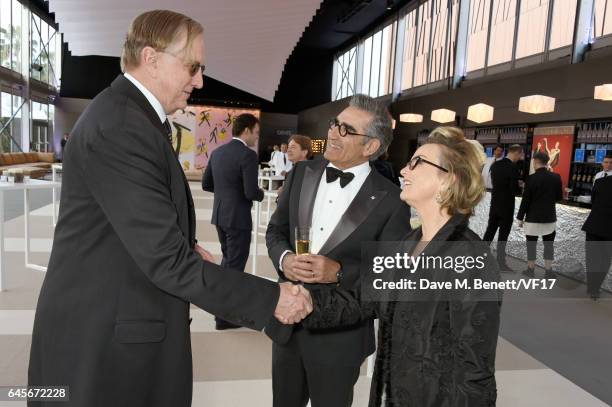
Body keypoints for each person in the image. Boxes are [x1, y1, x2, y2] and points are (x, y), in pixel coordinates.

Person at [27, 10, 311, 407]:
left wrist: (184, 244)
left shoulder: (129, 118)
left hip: (118, 320)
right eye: (193, 66)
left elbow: (129, 222)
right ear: (152, 57)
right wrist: (271, 299)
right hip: (105, 341)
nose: (199, 80)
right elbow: (168, 263)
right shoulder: (122, 126)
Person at [301, 126, 501, 406]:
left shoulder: (470, 259)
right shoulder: (407, 243)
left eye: (417, 163)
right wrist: (303, 302)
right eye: (408, 163)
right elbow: (363, 300)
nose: (404, 172)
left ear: (448, 180)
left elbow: (474, 369)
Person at [265, 94, 412, 407]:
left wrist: (340, 272)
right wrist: (284, 258)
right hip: (287, 323)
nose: (332, 132)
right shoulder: (301, 174)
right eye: (335, 124)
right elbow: (276, 231)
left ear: (370, 146)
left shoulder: (390, 200)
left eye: (346, 129)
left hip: (340, 339)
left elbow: (388, 280)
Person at [202, 113, 265, 330]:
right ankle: (224, 317)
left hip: (220, 215)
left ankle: (219, 309)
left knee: (228, 262)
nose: (256, 138)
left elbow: (206, 184)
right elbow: (250, 192)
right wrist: (262, 194)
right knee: (235, 267)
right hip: (237, 217)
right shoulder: (247, 155)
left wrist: (225, 194)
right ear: (246, 131)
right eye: (255, 133)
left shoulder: (218, 152)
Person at [516, 152, 562, 278]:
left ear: (536, 161)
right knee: (549, 245)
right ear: (547, 161)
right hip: (549, 217)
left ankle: (530, 270)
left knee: (531, 244)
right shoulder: (556, 177)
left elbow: (526, 201)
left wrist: (520, 217)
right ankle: (548, 271)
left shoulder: (531, 178)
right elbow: (559, 197)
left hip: (533, 217)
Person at [483, 144, 523, 271]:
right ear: (516, 153)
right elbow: (514, 190)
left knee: (489, 232)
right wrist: (520, 185)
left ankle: (480, 259)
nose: (520, 157)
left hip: (494, 204)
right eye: (520, 155)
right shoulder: (513, 168)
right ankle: (500, 263)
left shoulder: (495, 165)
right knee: (503, 236)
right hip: (506, 206)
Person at [582, 174, 612, 300]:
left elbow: (593, 201)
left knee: (592, 258)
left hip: (594, 225)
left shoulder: (599, 181)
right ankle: (595, 288)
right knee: (605, 260)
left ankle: (591, 287)